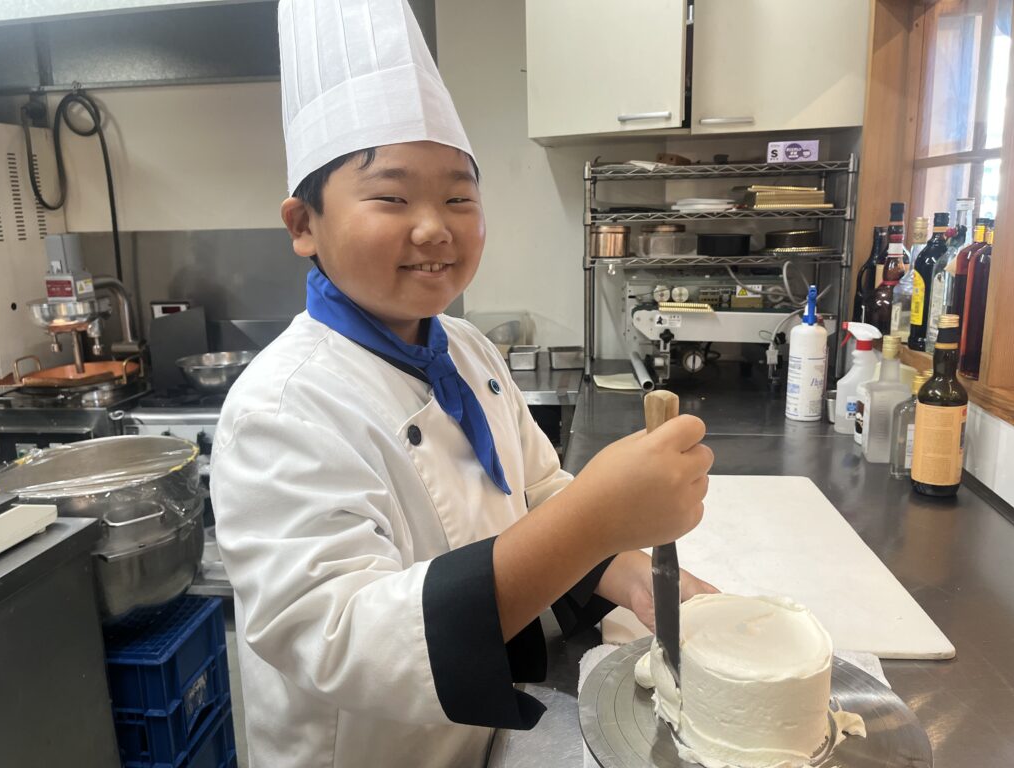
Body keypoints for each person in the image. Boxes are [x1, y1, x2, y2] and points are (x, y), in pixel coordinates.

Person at [211, 1, 715, 766]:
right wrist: (596, 519)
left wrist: (634, 574)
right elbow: (343, 638)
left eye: (458, 197)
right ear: (303, 225)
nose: (434, 227)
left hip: (478, 741)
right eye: (391, 197)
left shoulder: (469, 349)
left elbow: (538, 496)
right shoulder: (281, 407)